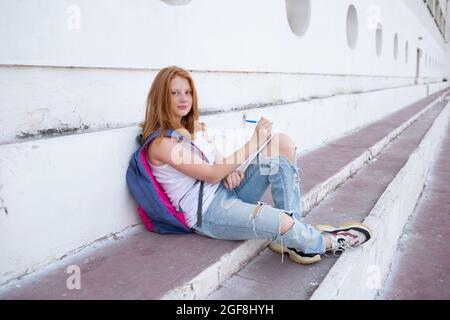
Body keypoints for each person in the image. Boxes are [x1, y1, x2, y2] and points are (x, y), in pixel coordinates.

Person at [140, 66, 372, 265]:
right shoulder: (161, 144)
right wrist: (253, 143)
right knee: (280, 220)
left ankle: (293, 236)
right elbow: (210, 174)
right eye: (175, 93)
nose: (184, 98)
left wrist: (228, 173)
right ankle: (323, 242)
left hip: (226, 190)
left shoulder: (194, 129)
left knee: (280, 144)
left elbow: (216, 162)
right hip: (208, 213)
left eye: (188, 92)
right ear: (162, 97)